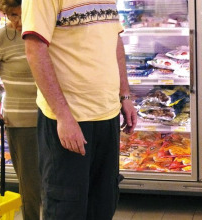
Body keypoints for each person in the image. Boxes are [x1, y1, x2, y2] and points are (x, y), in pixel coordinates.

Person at [21, 1, 137, 219]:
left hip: (107, 114)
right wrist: (63, 116)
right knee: (65, 207)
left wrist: (125, 95)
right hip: (69, 119)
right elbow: (35, 50)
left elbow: (115, 41)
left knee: (103, 202)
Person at [0, 0, 41, 219]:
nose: (19, 21)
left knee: (58, 184)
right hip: (22, 124)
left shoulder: (47, 32)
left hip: (58, 119)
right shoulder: (1, 38)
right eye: (13, 15)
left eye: (24, 14)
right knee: (31, 187)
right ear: (4, 12)